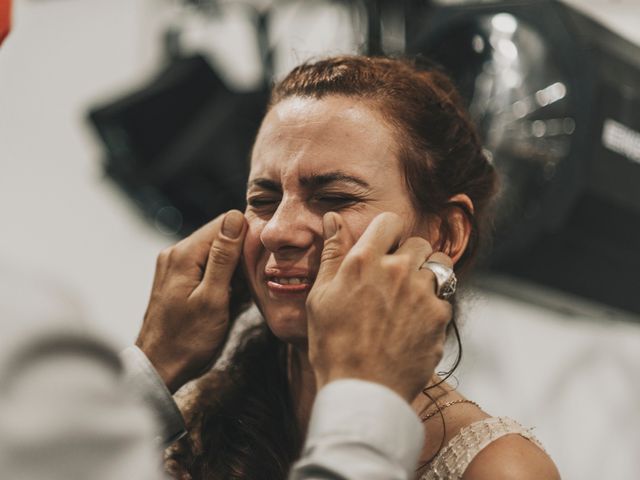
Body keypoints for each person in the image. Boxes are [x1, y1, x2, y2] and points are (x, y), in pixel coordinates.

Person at [135, 56, 560, 479]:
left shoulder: (499, 468)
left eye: (334, 197)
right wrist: (154, 363)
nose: (276, 231)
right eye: (262, 200)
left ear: (445, 234)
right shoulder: (183, 428)